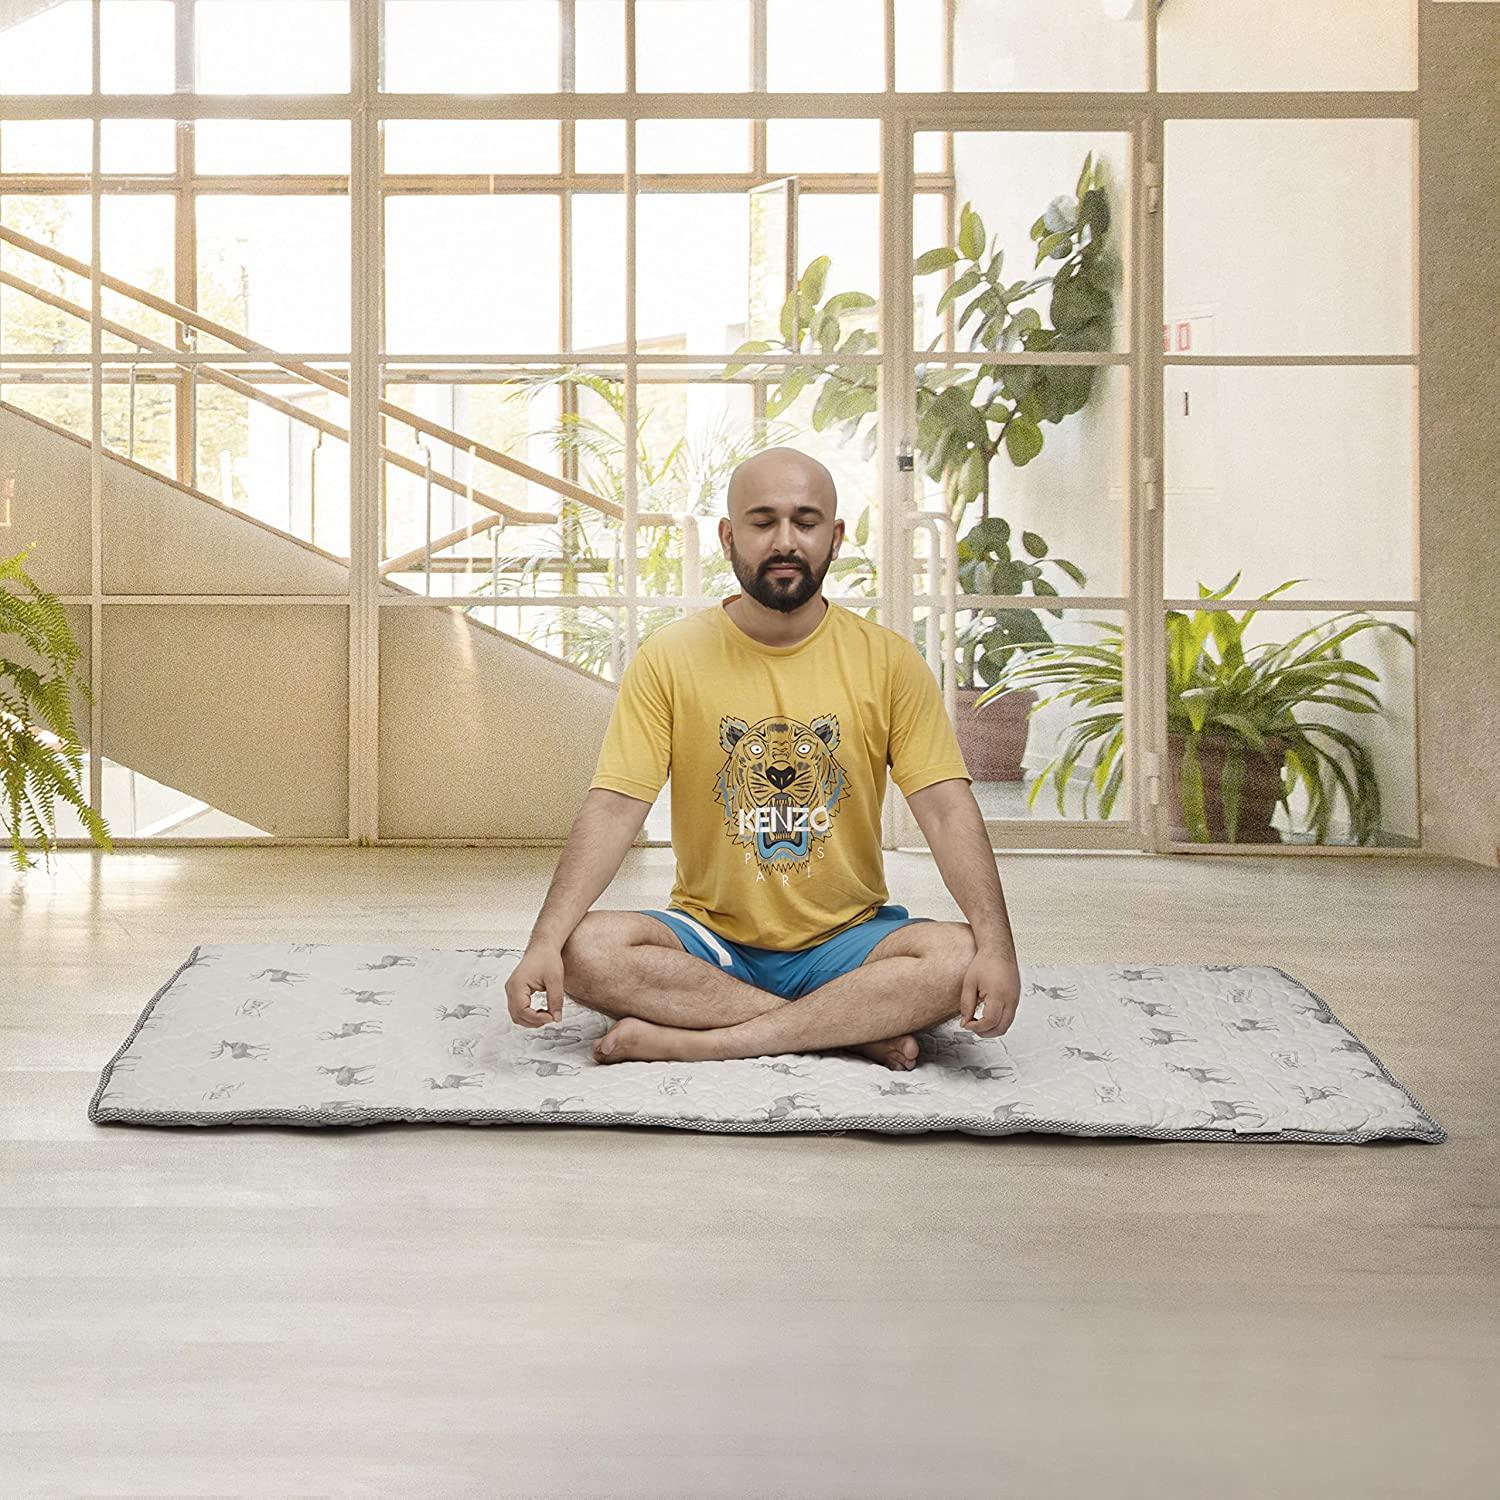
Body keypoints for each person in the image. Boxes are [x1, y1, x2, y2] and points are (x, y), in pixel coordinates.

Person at [503, 446, 1022, 1070]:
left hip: (851, 940)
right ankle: (847, 1028)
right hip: (711, 938)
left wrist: (999, 947)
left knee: (962, 956)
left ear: (835, 538)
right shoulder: (671, 657)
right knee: (580, 948)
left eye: (805, 522)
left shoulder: (887, 661)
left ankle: (709, 1038)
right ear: (728, 537)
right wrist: (541, 941)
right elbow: (616, 807)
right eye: (762, 521)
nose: (785, 540)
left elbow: (944, 808)